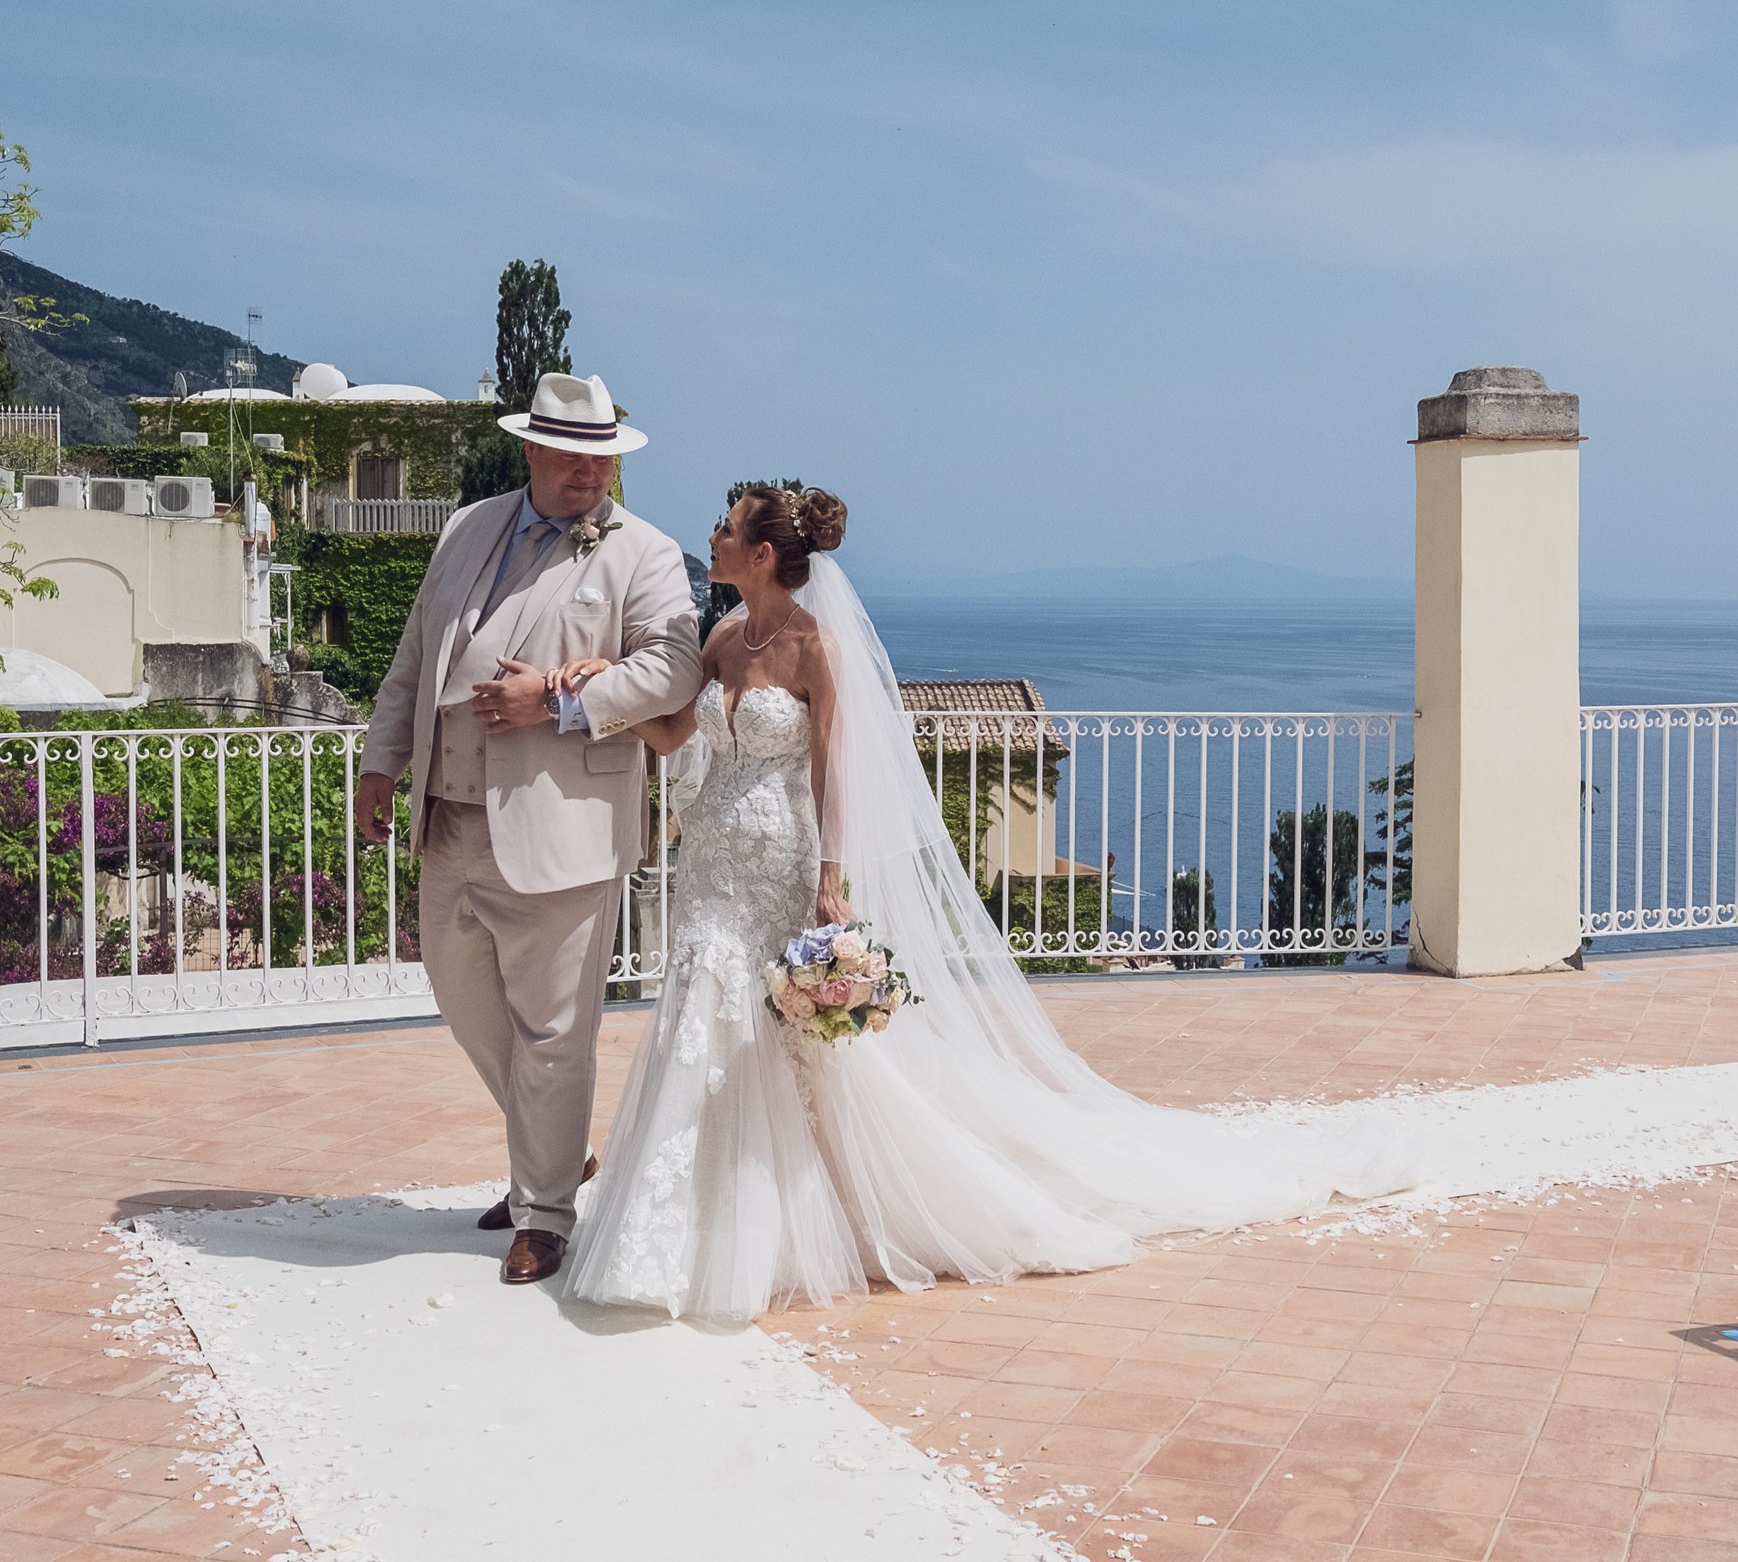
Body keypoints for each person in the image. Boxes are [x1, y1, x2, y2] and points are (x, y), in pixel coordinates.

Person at [559, 487, 1418, 1322]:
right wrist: (608, 697)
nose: (710, 536)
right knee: (701, 1018)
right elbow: (675, 733)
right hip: (711, 860)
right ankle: (678, 1220)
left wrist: (830, 875)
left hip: (782, 861)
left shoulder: (815, 648)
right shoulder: (722, 638)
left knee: (781, 1037)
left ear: (763, 554)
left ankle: (788, 1219)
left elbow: (829, 767)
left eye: (727, 527)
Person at [353, 373, 702, 1287]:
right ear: (533, 450)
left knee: (554, 1031)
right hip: (449, 817)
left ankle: (542, 1211)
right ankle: (554, 1153)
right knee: (469, 1010)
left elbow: (672, 671)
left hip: (566, 829)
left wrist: (555, 698)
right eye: (570, 454)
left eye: (602, 457)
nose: (587, 472)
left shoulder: (646, 552)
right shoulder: (469, 527)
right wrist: (381, 763)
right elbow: (415, 657)